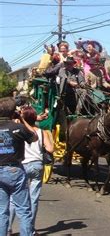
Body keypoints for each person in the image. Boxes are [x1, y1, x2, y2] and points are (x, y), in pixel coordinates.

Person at [8, 106, 54, 236]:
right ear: (35, 118)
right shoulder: (41, 132)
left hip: (21, 165)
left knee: (13, 198)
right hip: (36, 165)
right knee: (33, 199)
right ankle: (30, 229)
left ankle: (8, 228)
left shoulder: (18, 130)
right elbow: (50, 149)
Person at [0, 97, 38, 236]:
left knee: (1, 212)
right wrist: (22, 120)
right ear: (13, 112)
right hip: (14, 170)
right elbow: (34, 137)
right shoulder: (18, 127)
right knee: (24, 211)